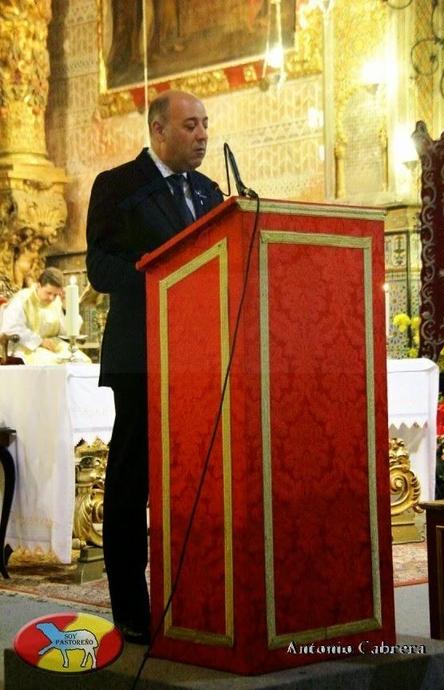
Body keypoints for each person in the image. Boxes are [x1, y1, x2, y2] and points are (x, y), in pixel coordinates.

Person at [86, 90, 223, 644]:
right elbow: (98, 266)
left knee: (200, 476)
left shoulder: (213, 193)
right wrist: (157, 281)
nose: (201, 136)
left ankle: (197, 594)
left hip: (201, 359)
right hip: (141, 356)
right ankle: (130, 606)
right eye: (190, 125)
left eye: (206, 126)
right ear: (158, 130)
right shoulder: (118, 185)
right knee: (131, 479)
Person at [1, 267, 89, 364]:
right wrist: (40, 341)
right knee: (56, 363)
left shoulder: (56, 301)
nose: (51, 298)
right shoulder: (23, 299)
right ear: (39, 285)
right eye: (48, 293)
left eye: (55, 294)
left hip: (53, 346)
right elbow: (10, 328)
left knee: (82, 361)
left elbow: (67, 332)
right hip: (28, 347)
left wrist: (66, 306)